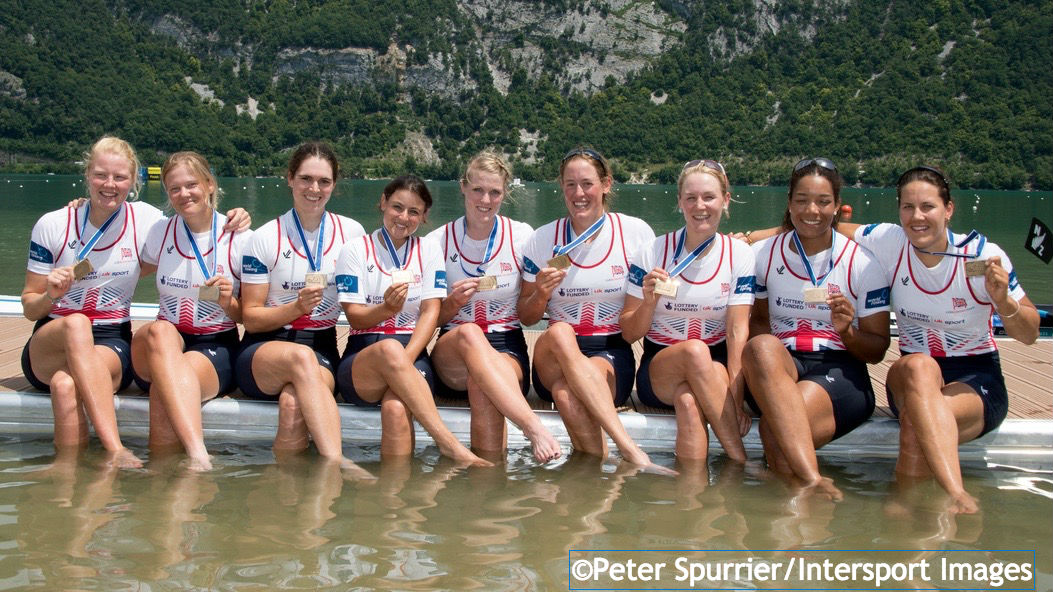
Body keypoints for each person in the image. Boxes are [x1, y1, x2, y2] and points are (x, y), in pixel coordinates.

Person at [840, 165, 1038, 512]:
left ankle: (909, 516)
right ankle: (947, 505)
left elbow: (1030, 334)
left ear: (948, 209)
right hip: (913, 376)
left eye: (928, 207)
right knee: (918, 367)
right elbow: (818, 224)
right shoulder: (890, 242)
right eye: (907, 207)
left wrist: (1003, 300)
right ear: (899, 210)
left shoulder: (982, 257)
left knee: (920, 423)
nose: (917, 217)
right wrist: (749, 239)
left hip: (976, 378)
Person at [741, 157, 891, 497]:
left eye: (823, 201)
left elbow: (877, 349)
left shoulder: (863, 263)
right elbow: (760, 323)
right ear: (789, 204)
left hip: (838, 369)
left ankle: (795, 518)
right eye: (802, 200)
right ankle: (808, 502)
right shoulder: (763, 255)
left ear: (837, 206)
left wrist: (847, 330)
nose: (812, 210)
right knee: (761, 347)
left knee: (777, 434)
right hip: (779, 367)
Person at [517, 147, 661, 469]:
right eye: (570, 184)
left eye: (587, 183)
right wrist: (540, 294)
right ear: (561, 187)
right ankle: (629, 450)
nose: (578, 193)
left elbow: (634, 329)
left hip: (610, 352)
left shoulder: (635, 234)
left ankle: (591, 493)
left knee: (568, 397)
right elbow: (526, 316)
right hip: (553, 354)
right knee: (561, 332)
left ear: (606, 184)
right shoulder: (542, 240)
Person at [235, 141, 371, 476]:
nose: (314, 188)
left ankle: (289, 501)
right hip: (264, 346)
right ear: (290, 179)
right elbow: (251, 317)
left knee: (293, 404)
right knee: (299, 359)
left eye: (324, 181)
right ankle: (337, 462)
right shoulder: (264, 238)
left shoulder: (352, 234)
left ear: (334, 186)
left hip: (321, 344)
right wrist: (295, 307)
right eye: (306, 179)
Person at [335, 174, 491, 467]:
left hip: (412, 352)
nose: (404, 217)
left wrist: (402, 363)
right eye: (397, 207)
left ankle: (397, 501)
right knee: (387, 350)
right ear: (382, 202)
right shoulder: (355, 250)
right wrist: (385, 309)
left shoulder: (429, 250)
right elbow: (354, 317)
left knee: (396, 407)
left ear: (424, 216)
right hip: (363, 355)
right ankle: (450, 446)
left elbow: (431, 311)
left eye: (414, 211)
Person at [425, 152, 562, 463]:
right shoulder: (436, 241)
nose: (485, 199)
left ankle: (487, 480)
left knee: (483, 383)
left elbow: (530, 316)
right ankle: (534, 428)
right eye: (477, 190)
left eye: (495, 192)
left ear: (505, 193)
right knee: (469, 331)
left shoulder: (523, 235)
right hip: (453, 352)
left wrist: (542, 290)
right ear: (463, 187)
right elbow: (430, 319)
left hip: (506, 346)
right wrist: (451, 304)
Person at [619, 159, 752, 461]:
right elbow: (628, 332)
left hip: (714, 366)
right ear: (679, 202)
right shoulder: (652, 251)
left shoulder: (740, 254)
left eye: (709, 197)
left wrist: (736, 396)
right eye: (690, 198)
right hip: (660, 368)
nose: (699, 206)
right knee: (694, 351)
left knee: (690, 402)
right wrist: (649, 301)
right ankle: (740, 461)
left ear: (725, 200)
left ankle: (690, 499)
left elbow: (736, 331)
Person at [130, 152, 251, 471]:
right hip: (163, 343)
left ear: (210, 184)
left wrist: (228, 302)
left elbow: (246, 317)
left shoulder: (239, 236)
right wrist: (81, 209)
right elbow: (120, 262)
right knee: (158, 330)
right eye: (174, 189)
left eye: (191, 185)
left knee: (163, 388)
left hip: (214, 346)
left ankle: (162, 477)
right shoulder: (160, 232)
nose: (184, 194)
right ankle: (196, 460)